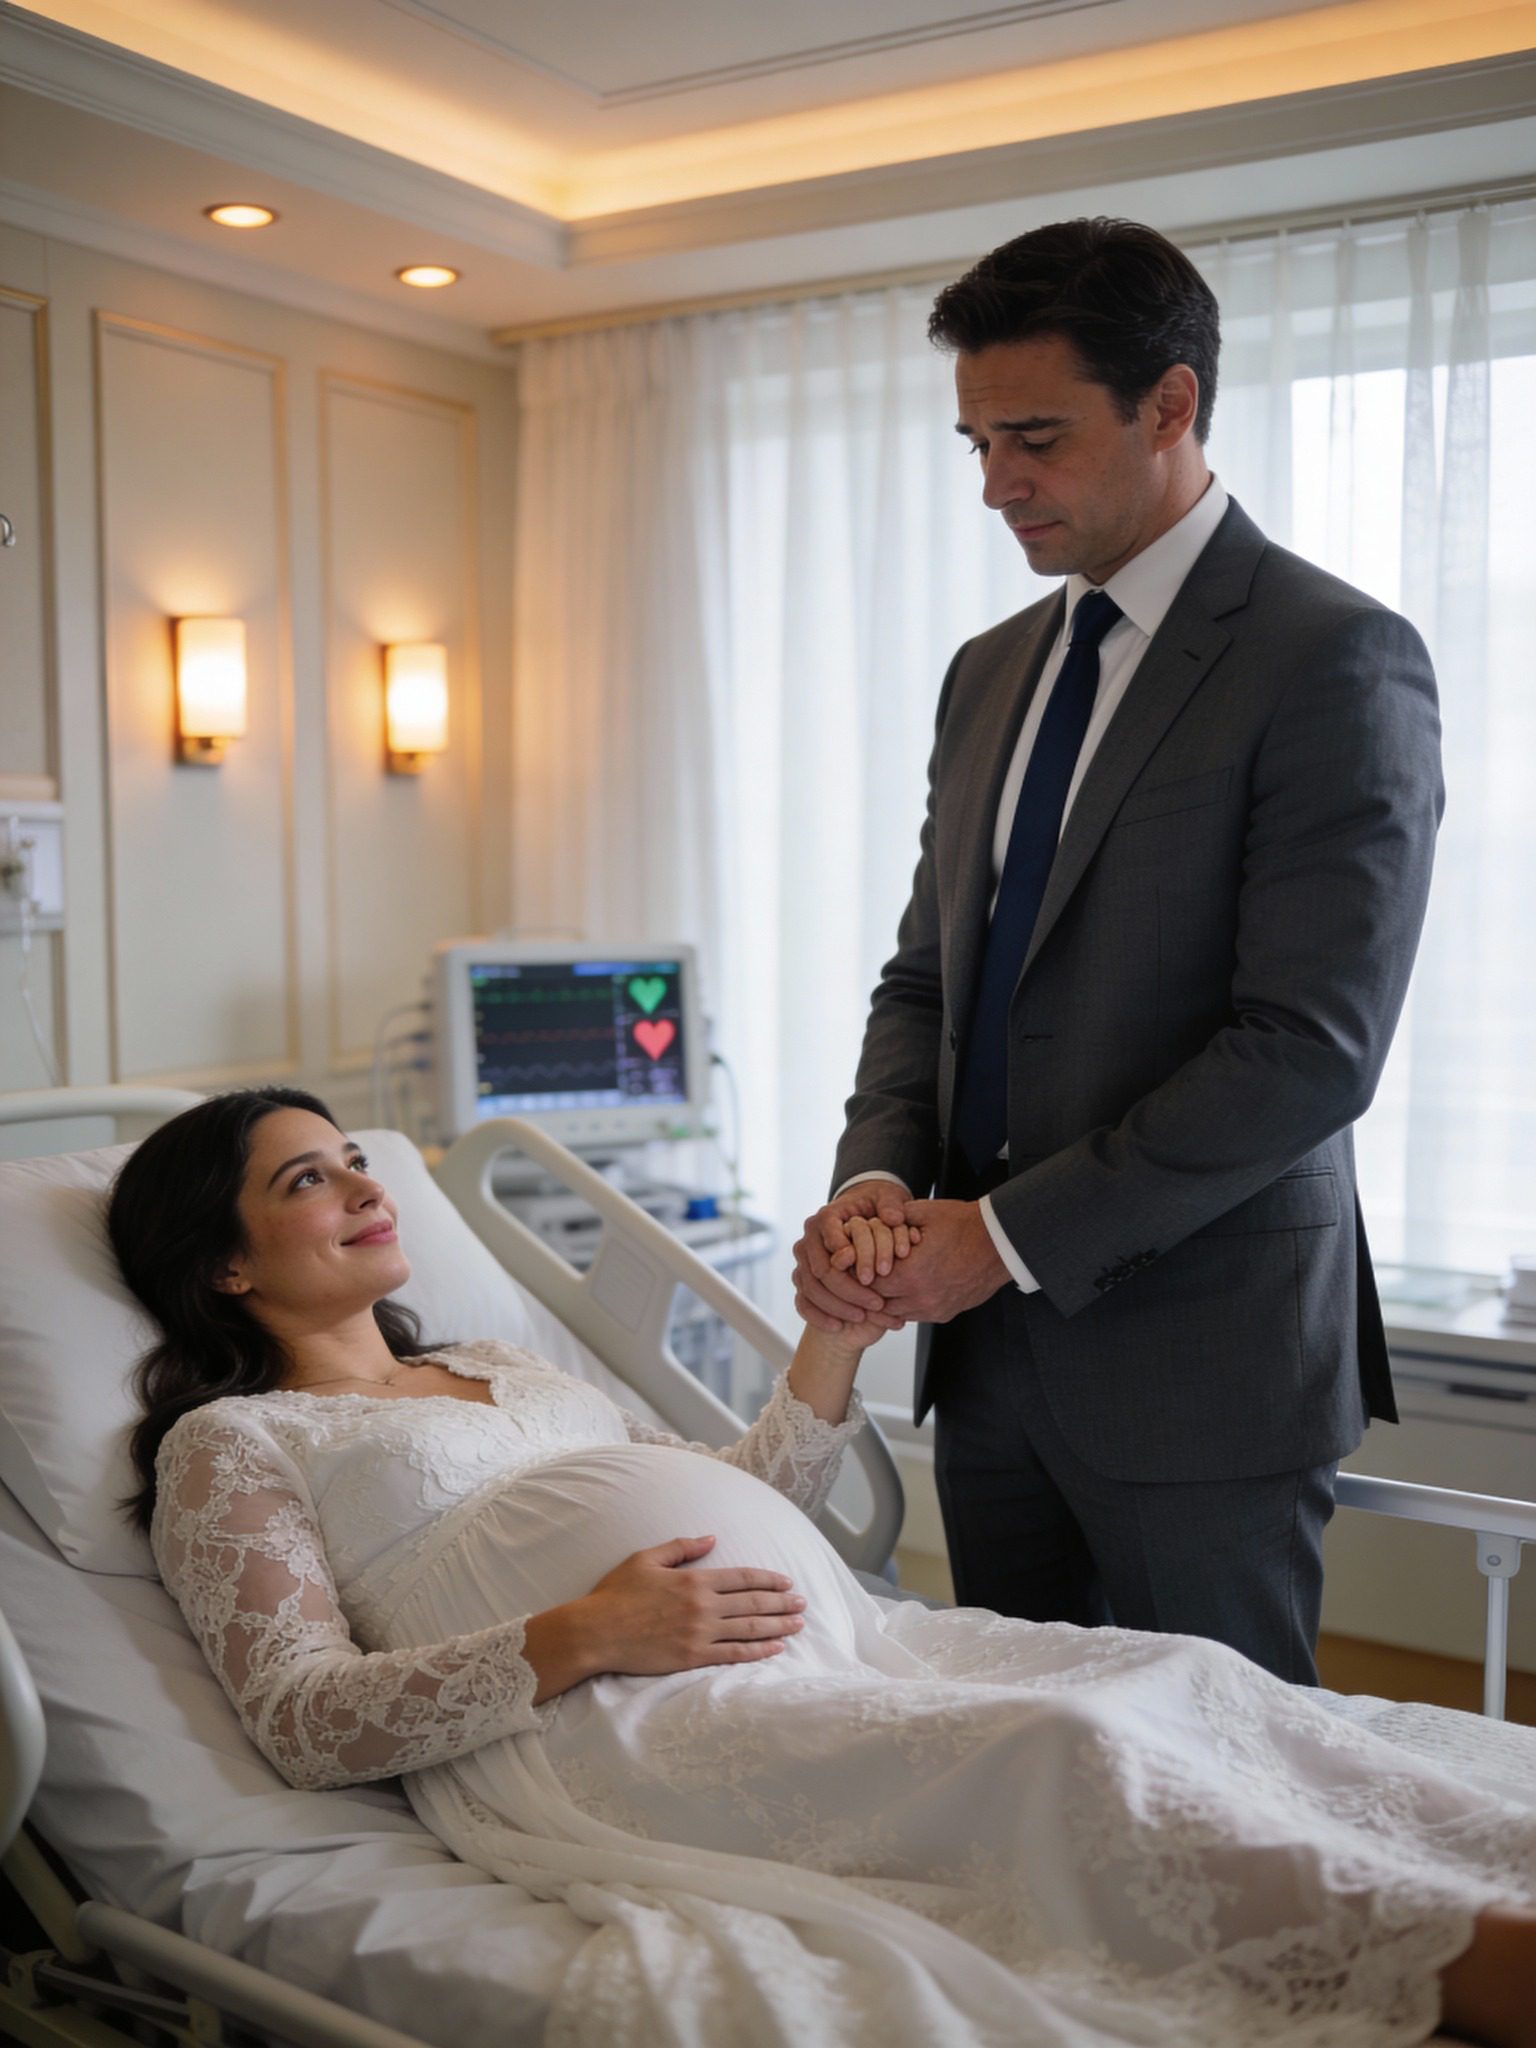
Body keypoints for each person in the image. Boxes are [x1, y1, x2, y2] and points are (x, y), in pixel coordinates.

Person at [107, 1087, 1535, 2048]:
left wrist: (837, 1337)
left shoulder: (497, 1362)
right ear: (225, 1265)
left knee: (1176, 1680)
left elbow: (742, 1494)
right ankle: (1472, 1967)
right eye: (308, 1179)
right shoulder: (235, 1443)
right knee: (1064, 1749)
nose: (364, 1185)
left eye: (356, 1158)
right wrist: (586, 1633)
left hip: (840, 1639)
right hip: (615, 1719)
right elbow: (302, 1719)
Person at [792, 216, 1445, 1686]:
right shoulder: (988, 674)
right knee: (1019, 1764)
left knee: (1222, 1790)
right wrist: (875, 1184)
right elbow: (927, 981)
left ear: (1170, 405)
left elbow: (1310, 1052)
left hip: (1202, 1373)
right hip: (987, 1375)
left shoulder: (1332, 655)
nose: (996, 484)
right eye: (976, 443)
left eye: (1034, 438)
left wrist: (1002, 1238)